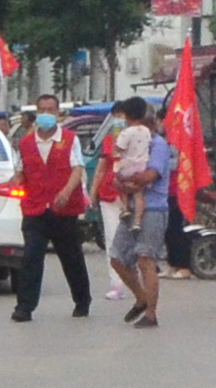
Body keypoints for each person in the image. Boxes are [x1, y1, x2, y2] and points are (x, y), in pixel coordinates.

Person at [12, 104, 95, 323]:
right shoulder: (26, 143)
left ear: (58, 113)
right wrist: (14, 182)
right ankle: (24, 307)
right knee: (31, 256)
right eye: (42, 109)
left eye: (51, 109)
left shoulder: (69, 139)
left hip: (63, 209)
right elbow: (21, 171)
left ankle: (82, 300)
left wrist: (66, 192)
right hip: (35, 208)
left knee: (71, 257)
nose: (46, 113)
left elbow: (78, 168)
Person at [98, 98, 170, 327]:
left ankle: (151, 313)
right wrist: (122, 184)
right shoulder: (129, 143)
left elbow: (151, 175)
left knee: (146, 259)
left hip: (153, 208)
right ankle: (141, 297)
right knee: (117, 257)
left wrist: (129, 181)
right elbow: (114, 170)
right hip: (130, 206)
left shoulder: (158, 145)